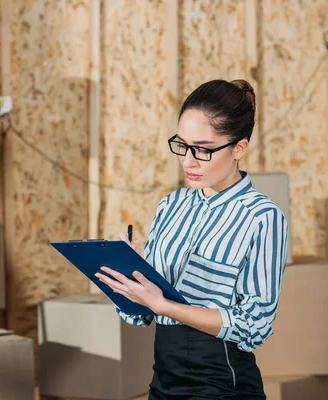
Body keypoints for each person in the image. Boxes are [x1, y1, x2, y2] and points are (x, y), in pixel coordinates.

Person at [95, 79, 288, 399]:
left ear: (239, 148)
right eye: (182, 145)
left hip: (222, 385)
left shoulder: (262, 217)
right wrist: (133, 275)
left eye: (203, 149)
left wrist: (165, 305)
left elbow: (253, 326)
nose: (188, 161)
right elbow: (141, 314)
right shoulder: (172, 205)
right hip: (164, 383)